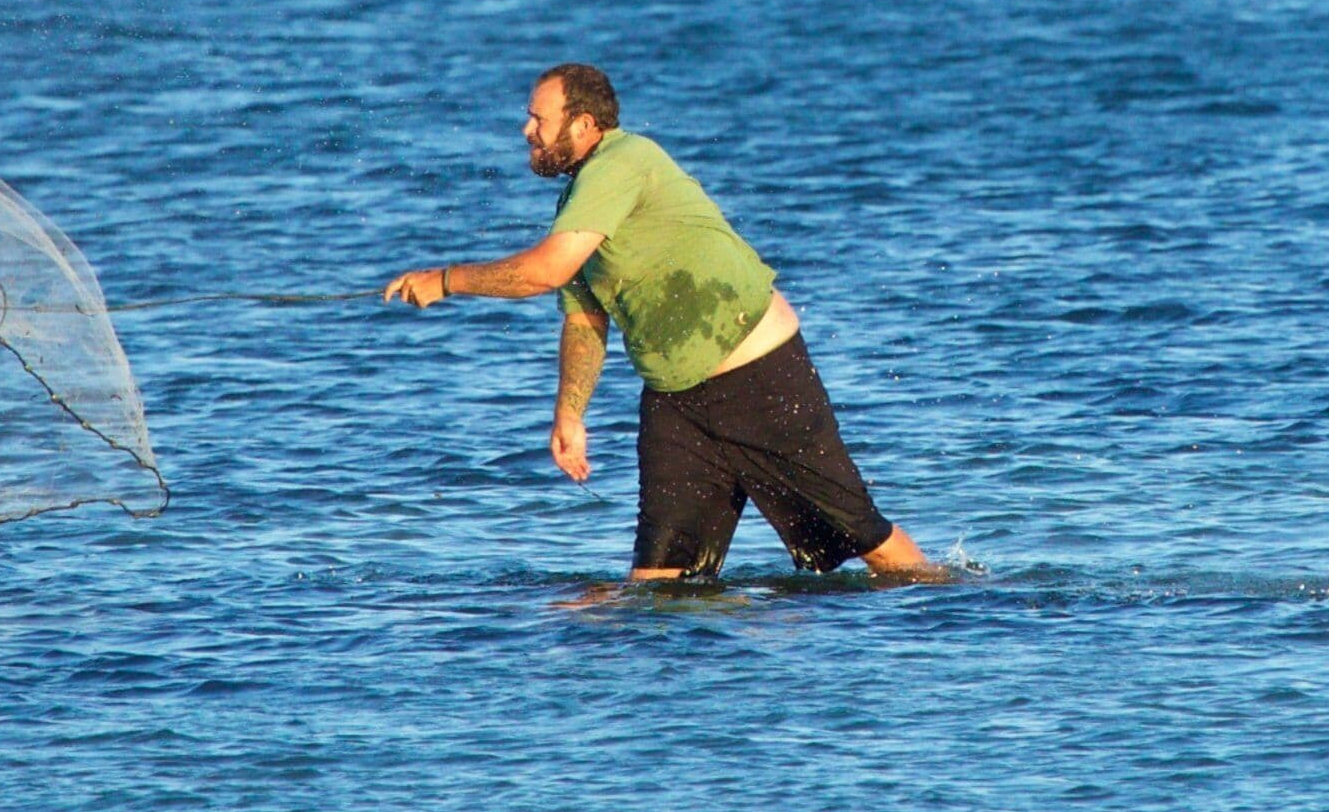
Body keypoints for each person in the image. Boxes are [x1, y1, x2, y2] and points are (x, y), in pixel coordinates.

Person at [383, 63, 942, 582]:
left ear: (583, 125)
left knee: (865, 539)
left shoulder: (624, 162)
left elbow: (546, 271)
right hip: (676, 401)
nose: (527, 130)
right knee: (658, 584)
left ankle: (949, 605)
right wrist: (569, 414)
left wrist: (447, 279)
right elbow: (585, 317)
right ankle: (673, 684)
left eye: (538, 118)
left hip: (762, 380)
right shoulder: (578, 200)